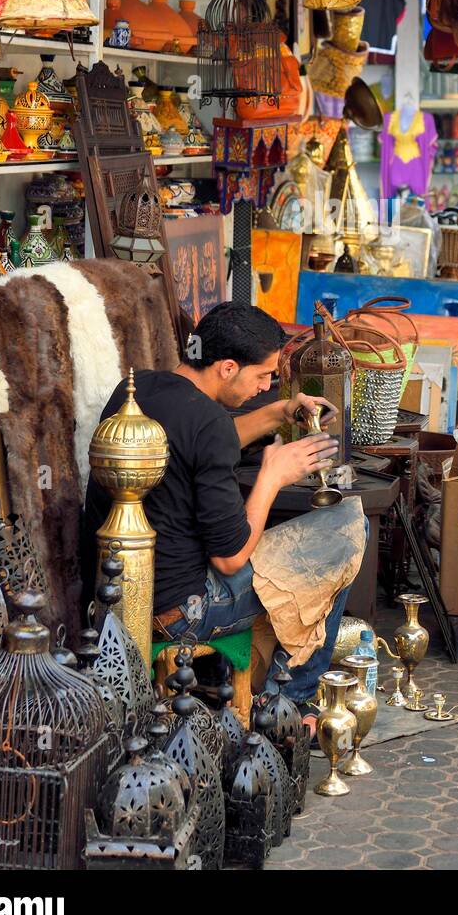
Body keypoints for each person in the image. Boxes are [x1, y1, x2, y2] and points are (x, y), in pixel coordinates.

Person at [84, 302, 356, 711]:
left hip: (115, 592)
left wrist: (279, 414)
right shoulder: (208, 424)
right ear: (228, 368)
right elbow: (229, 559)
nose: (266, 386)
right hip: (180, 612)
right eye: (263, 375)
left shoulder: (141, 389)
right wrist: (271, 478)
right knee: (348, 528)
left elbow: (206, 438)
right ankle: (290, 704)